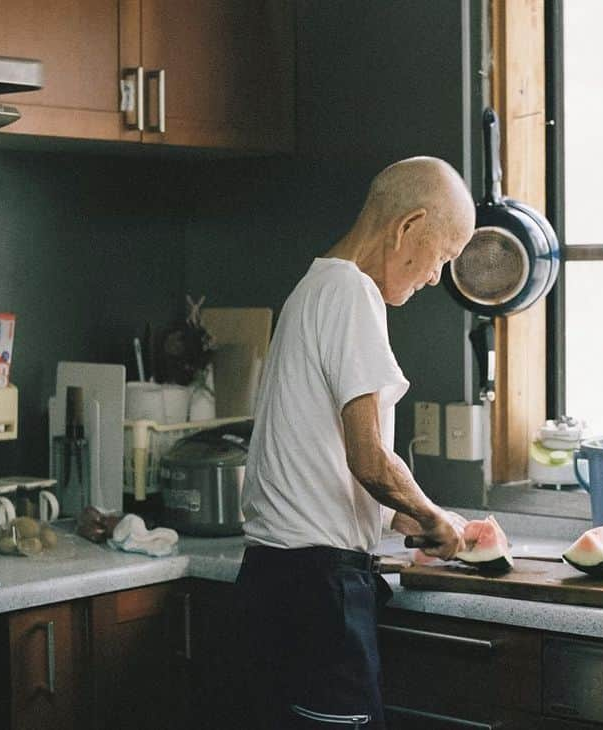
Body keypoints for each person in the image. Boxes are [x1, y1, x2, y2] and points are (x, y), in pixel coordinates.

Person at [236, 156, 476, 729]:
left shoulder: (314, 286)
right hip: (316, 594)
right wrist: (433, 516)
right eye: (442, 255)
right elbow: (368, 459)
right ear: (407, 226)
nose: (437, 276)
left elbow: (318, 459)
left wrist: (400, 519)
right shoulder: (352, 294)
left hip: (272, 586)